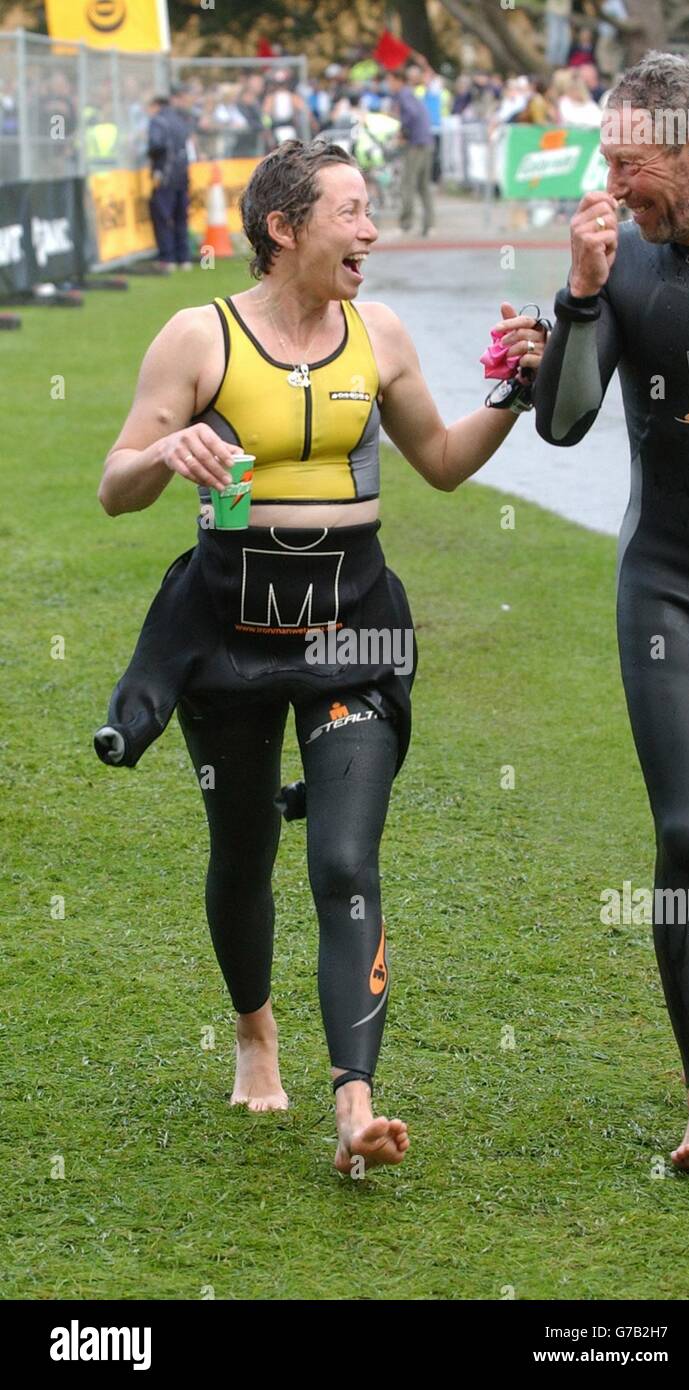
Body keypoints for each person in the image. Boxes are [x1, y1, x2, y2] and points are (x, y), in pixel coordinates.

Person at [94, 139, 548, 1175]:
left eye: (370, 209)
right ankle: (256, 1033)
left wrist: (518, 392)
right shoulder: (195, 337)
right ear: (283, 228)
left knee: (344, 862)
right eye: (351, 211)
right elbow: (114, 482)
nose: (372, 231)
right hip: (229, 635)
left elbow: (438, 461)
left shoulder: (375, 332)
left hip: (353, 632)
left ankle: (354, 1100)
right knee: (244, 846)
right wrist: (166, 453)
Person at [534, 51, 689, 1169]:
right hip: (671, 587)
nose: (609, 183)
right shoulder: (623, 264)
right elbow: (559, 423)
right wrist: (580, 299)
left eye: (625, 160)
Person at [147, 86, 192, 273]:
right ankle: (184, 258)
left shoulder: (158, 121)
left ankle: (168, 257)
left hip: (165, 175)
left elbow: (156, 144)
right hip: (182, 174)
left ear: (156, 105)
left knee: (163, 216)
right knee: (181, 217)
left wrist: (149, 155)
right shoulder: (180, 121)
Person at [385, 68, 434, 237]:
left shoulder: (404, 95)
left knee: (408, 183)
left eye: (390, 81)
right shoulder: (410, 93)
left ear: (398, 81)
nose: (388, 85)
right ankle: (429, 225)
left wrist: (403, 130)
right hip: (425, 141)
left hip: (416, 144)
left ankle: (406, 224)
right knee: (423, 186)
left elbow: (411, 115)